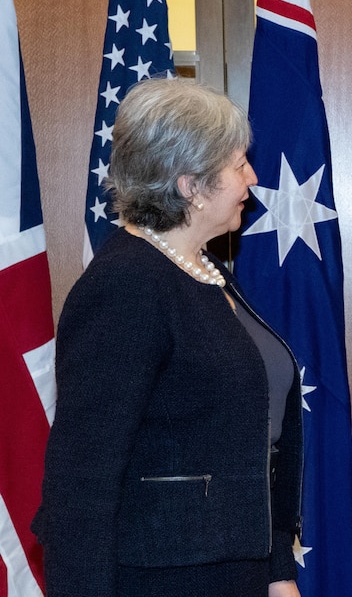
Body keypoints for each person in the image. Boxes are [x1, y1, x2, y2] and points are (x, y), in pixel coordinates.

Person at [32, 78, 303, 597]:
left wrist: (276, 572)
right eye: (237, 164)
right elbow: (81, 482)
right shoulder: (126, 283)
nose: (252, 177)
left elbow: (247, 443)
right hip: (161, 581)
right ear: (190, 186)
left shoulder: (206, 269)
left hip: (236, 571)